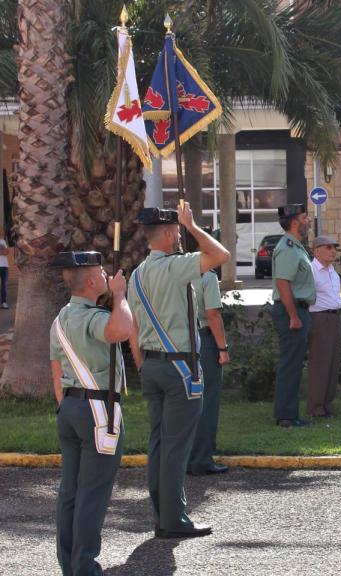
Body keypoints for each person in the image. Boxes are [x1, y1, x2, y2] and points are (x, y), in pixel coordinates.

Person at [127, 203, 230, 539]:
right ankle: (173, 520)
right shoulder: (175, 267)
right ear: (171, 234)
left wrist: (141, 363)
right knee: (176, 447)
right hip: (180, 366)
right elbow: (220, 255)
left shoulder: (137, 273)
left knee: (158, 444)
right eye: (176, 231)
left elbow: (132, 326)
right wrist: (194, 226)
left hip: (152, 364)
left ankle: (162, 515)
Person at [50, 251, 132, 575]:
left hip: (69, 407)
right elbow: (121, 330)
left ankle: (69, 564)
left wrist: (64, 406)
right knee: (92, 494)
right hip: (98, 410)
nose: (107, 276)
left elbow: (56, 370)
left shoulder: (60, 318)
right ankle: (84, 567)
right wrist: (121, 295)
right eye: (101, 271)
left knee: (70, 491)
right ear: (91, 281)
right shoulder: (91, 317)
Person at [271, 204, 316, 428]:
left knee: (294, 363)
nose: (309, 220)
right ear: (295, 222)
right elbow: (282, 283)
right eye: (305, 217)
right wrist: (293, 316)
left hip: (297, 309)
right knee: (290, 364)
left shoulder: (295, 246)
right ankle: (286, 417)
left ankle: (289, 413)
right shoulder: (288, 247)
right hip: (292, 311)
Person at [187, 269, 230, 476]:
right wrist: (222, 348)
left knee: (182, 403)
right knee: (206, 400)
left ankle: (184, 458)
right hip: (202, 338)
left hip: (174, 340)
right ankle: (201, 458)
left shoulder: (171, 270)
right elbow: (212, 314)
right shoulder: (206, 276)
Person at [307, 234, 341, 418]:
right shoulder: (311, 271)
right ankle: (316, 406)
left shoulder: (332, 272)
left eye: (334, 248)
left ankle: (327, 403)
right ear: (317, 251)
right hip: (319, 318)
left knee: (333, 361)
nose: (333, 251)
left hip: (334, 317)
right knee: (320, 362)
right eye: (328, 248)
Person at [0, 236, 9, 308]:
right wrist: (2, 250)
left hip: (5, 266)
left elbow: (7, 252)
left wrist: (3, 251)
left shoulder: (3, 241)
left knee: (4, 285)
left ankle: (4, 302)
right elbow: (4, 251)